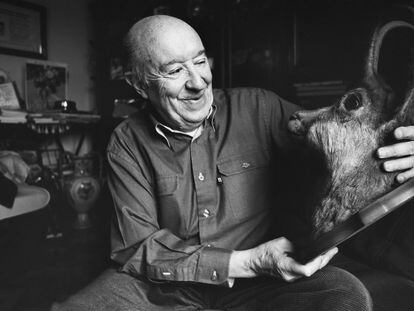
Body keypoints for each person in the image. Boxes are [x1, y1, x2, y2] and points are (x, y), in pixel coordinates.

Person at [52, 15, 414, 311]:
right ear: (139, 84)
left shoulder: (260, 108)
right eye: (175, 70)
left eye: (200, 60)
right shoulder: (127, 143)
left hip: (264, 284)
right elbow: (136, 247)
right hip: (162, 287)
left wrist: (405, 144)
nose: (198, 82)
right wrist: (246, 261)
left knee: (346, 297)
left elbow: (339, 136)